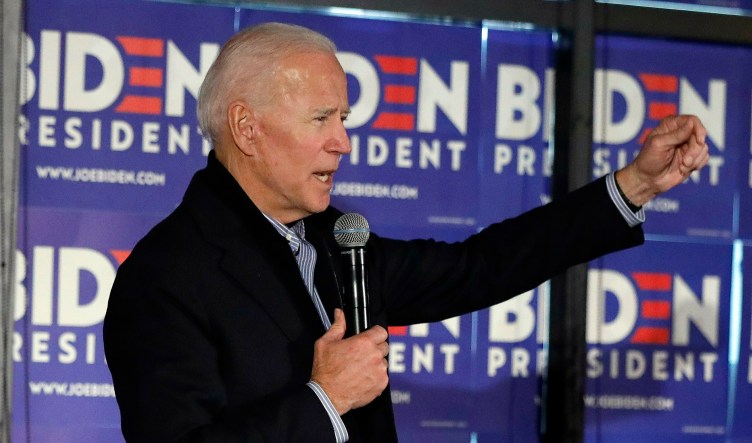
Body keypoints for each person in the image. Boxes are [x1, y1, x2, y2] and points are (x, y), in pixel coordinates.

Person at [103, 22, 709, 442]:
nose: (343, 141)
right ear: (246, 127)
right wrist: (325, 400)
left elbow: (479, 267)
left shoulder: (337, 242)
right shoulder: (164, 279)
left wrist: (634, 185)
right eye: (322, 118)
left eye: (343, 118)